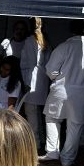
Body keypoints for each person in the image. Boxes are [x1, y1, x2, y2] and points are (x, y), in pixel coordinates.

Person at [41, 20, 84, 166]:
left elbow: (50, 69)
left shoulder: (65, 46)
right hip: (83, 92)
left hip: (61, 88)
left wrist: (56, 77)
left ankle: (52, 152)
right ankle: (67, 159)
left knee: (52, 119)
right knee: (75, 126)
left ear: (72, 30)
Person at [19, 18, 49, 149]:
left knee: (31, 112)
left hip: (31, 79)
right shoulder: (46, 41)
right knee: (38, 113)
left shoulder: (29, 41)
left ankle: (35, 143)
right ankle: (41, 139)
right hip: (43, 80)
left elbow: (26, 62)